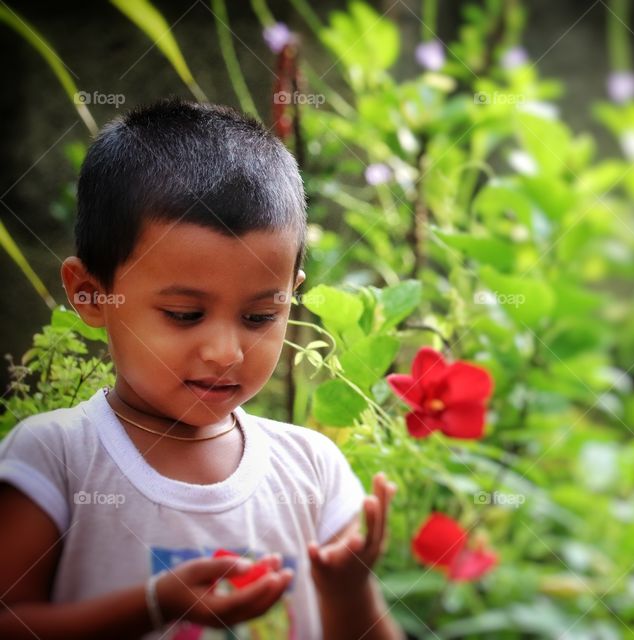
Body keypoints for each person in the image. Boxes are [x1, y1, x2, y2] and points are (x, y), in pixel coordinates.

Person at [0, 98, 403, 639]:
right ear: (91, 295)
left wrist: (348, 590)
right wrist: (152, 605)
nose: (225, 352)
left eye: (261, 315)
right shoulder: (60, 458)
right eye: (185, 315)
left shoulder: (310, 469)